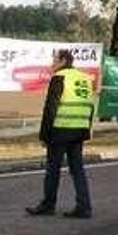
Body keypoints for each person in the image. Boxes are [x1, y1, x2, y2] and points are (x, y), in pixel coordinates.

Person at [26, 49, 95, 218]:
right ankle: (84, 206)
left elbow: (51, 108)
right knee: (77, 169)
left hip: (61, 129)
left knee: (53, 169)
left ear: (63, 60)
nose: (52, 64)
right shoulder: (85, 78)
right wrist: (87, 128)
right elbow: (90, 106)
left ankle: (48, 204)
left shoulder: (59, 77)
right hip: (79, 129)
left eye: (54, 60)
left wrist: (44, 135)